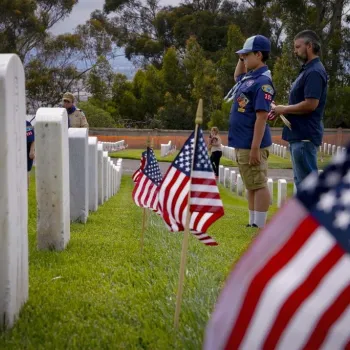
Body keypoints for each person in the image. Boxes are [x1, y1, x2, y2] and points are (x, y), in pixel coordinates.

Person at [226, 35, 275, 228]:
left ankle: (260, 225)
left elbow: (262, 116)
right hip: (242, 141)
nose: (244, 59)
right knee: (250, 184)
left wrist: (255, 148)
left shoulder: (263, 81)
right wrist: (241, 57)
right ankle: (252, 222)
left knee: (259, 183)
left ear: (259, 55)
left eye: (247, 55)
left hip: (252, 142)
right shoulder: (249, 78)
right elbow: (237, 77)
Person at [272, 30, 328, 190]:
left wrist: (284, 109)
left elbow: (311, 104)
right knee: (301, 185)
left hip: (305, 137)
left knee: (306, 189)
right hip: (299, 136)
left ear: (309, 46)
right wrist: (280, 109)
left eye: (297, 47)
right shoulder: (308, 70)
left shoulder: (314, 72)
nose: (295, 51)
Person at [26, 120, 35, 189]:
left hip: (26, 152)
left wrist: (32, 151)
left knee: (26, 172)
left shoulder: (27, 123)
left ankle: (26, 190)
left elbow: (32, 139)